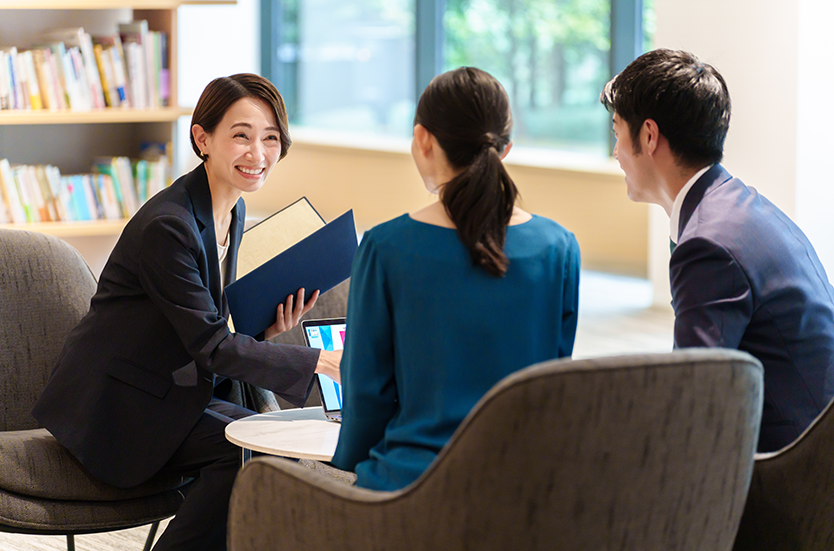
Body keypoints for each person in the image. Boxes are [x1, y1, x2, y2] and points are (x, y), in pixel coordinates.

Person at [32, 73, 341, 551]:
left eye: (271, 139)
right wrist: (319, 362)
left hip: (178, 388)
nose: (257, 155)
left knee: (273, 451)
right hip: (121, 407)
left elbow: (203, 324)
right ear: (203, 138)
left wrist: (266, 328)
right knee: (253, 452)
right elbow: (211, 344)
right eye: (241, 136)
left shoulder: (230, 210)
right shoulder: (169, 226)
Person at [330, 67, 581, 491]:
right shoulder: (559, 248)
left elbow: (366, 397)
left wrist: (347, 471)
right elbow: (554, 380)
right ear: (505, 149)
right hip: (529, 487)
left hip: (413, 489)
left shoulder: (385, 246)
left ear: (423, 140)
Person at [600, 49, 834, 452]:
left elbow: (693, 400)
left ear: (649, 136)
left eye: (617, 132)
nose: (615, 152)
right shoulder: (738, 206)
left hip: (794, 473)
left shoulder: (708, 243)